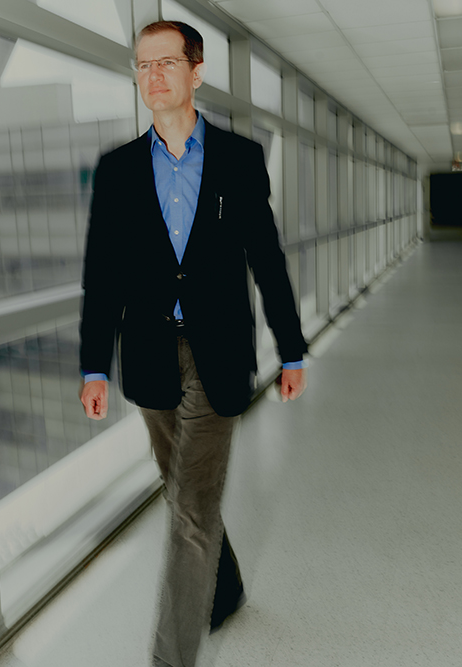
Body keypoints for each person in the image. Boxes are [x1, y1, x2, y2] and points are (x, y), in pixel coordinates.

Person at [79, 20, 308, 667]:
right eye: (143, 66)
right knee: (184, 490)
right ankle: (226, 584)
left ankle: (169, 660)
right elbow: (103, 274)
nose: (152, 77)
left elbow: (266, 257)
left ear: (197, 71)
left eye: (166, 63)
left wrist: (291, 349)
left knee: (188, 512)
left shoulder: (238, 158)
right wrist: (94, 364)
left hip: (220, 353)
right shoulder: (118, 169)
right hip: (150, 355)